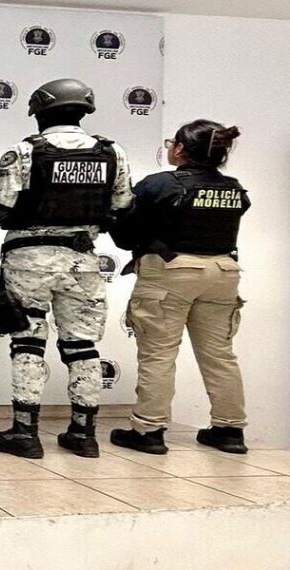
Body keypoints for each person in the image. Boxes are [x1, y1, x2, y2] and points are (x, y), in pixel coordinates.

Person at [0, 78, 132, 459]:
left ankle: (24, 433)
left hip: (29, 260)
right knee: (82, 346)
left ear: (40, 112)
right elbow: (123, 207)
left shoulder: (25, 152)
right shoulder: (112, 152)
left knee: (27, 341)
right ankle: (83, 434)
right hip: (83, 261)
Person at [109, 121, 249, 455]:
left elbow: (125, 234)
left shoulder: (159, 184)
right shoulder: (234, 188)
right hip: (223, 272)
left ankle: (149, 430)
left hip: (170, 271)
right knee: (220, 355)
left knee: (159, 354)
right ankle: (229, 430)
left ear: (181, 149)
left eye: (173, 142)